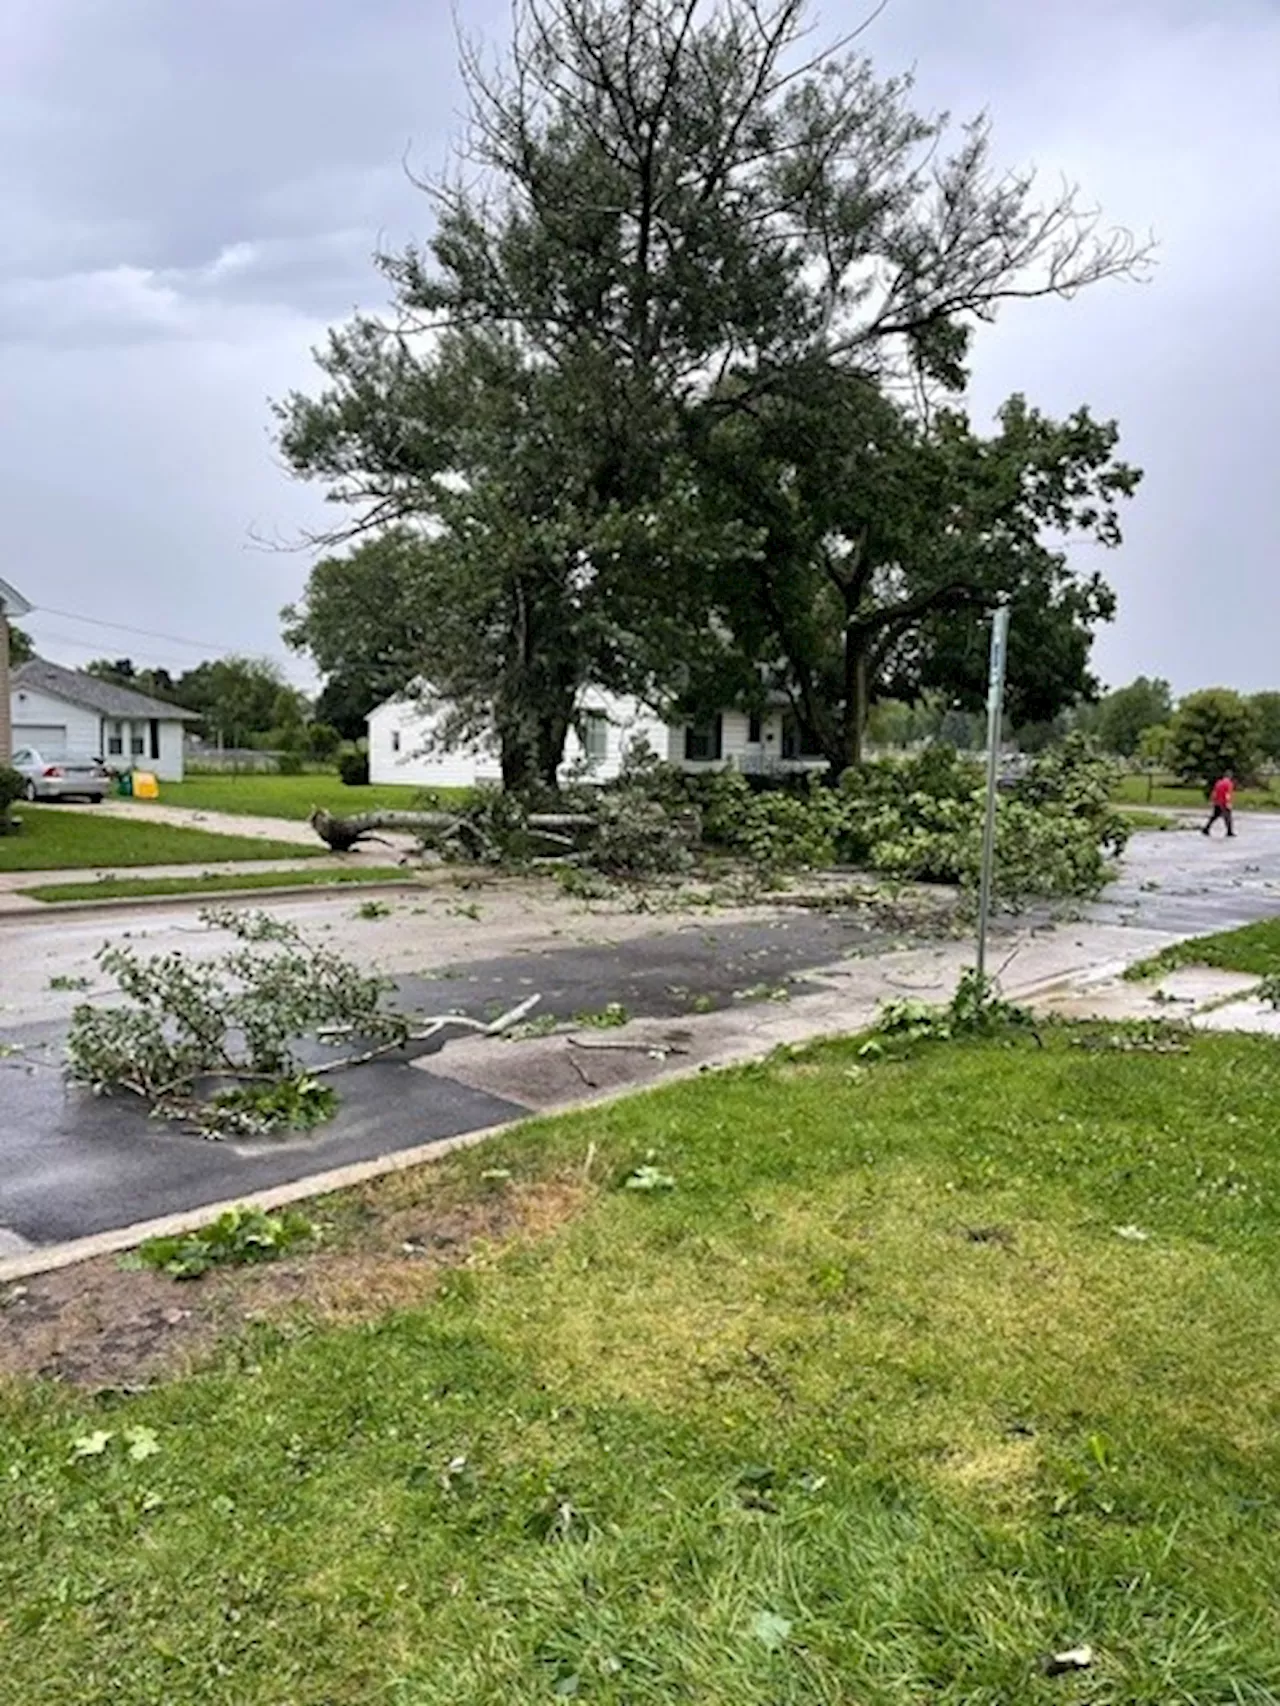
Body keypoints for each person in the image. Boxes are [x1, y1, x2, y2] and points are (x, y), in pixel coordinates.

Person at [1203, 772, 1235, 837]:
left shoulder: (1218, 783)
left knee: (1214, 816)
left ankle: (1206, 828)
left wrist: (1213, 800)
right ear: (1230, 777)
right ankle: (1229, 832)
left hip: (1217, 802)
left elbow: (1214, 792)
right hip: (1223, 803)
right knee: (1228, 817)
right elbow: (1227, 794)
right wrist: (1228, 803)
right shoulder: (1229, 784)